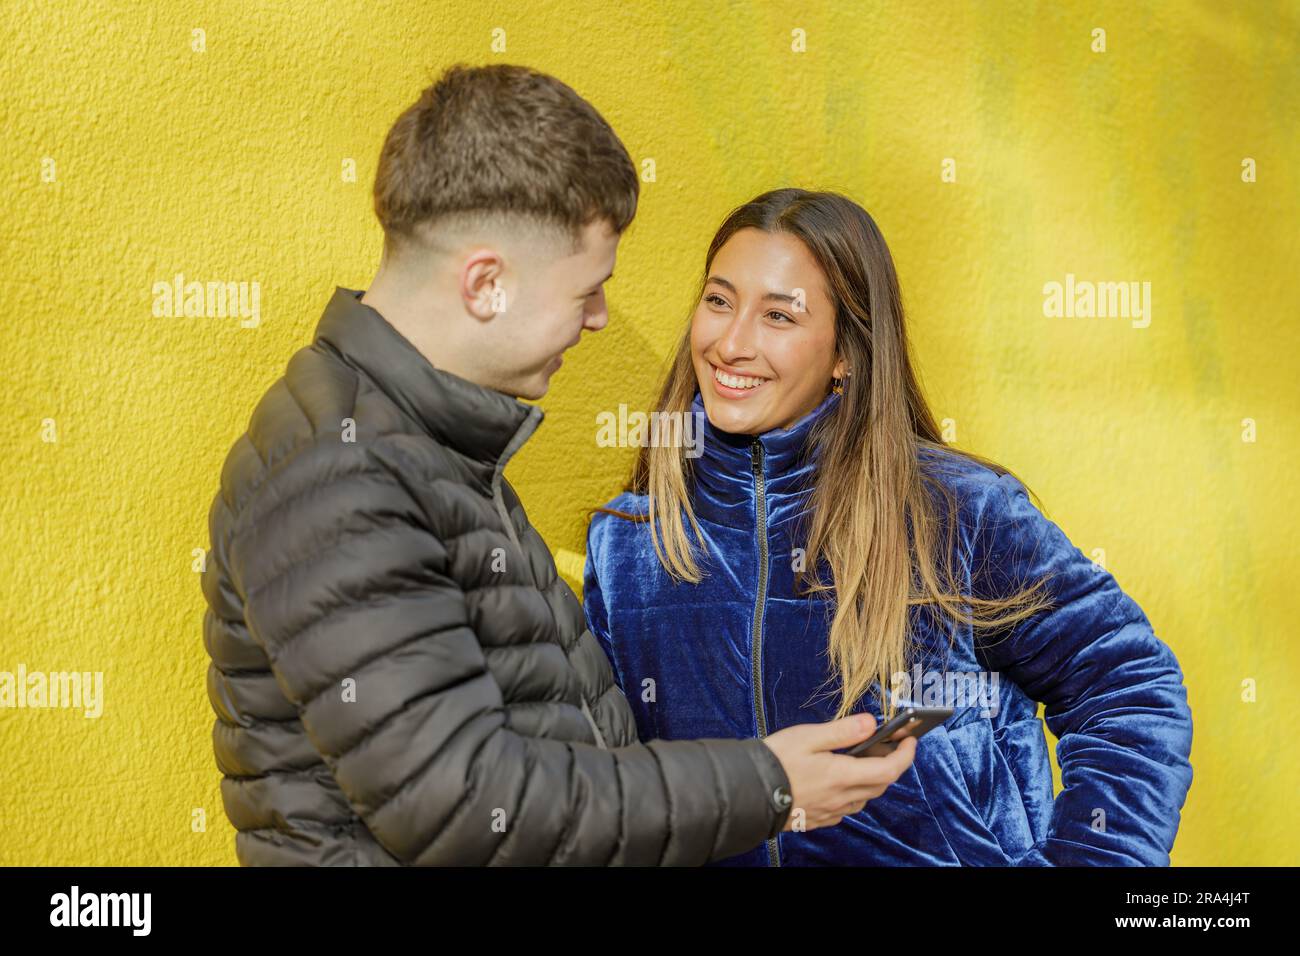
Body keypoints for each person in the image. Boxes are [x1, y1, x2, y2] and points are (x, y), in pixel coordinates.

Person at [199, 66, 916, 866]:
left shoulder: (425, 449)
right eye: (588, 290)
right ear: (487, 285)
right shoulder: (335, 476)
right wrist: (767, 785)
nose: (602, 319)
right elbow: (469, 805)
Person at [584, 188, 1194, 866]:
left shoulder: (956, 510)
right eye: (719, 301)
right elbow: (616, 793)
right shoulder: (628, 544)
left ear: (846, 354)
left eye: (779, 316)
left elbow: (1129, 686)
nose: (731, 343)